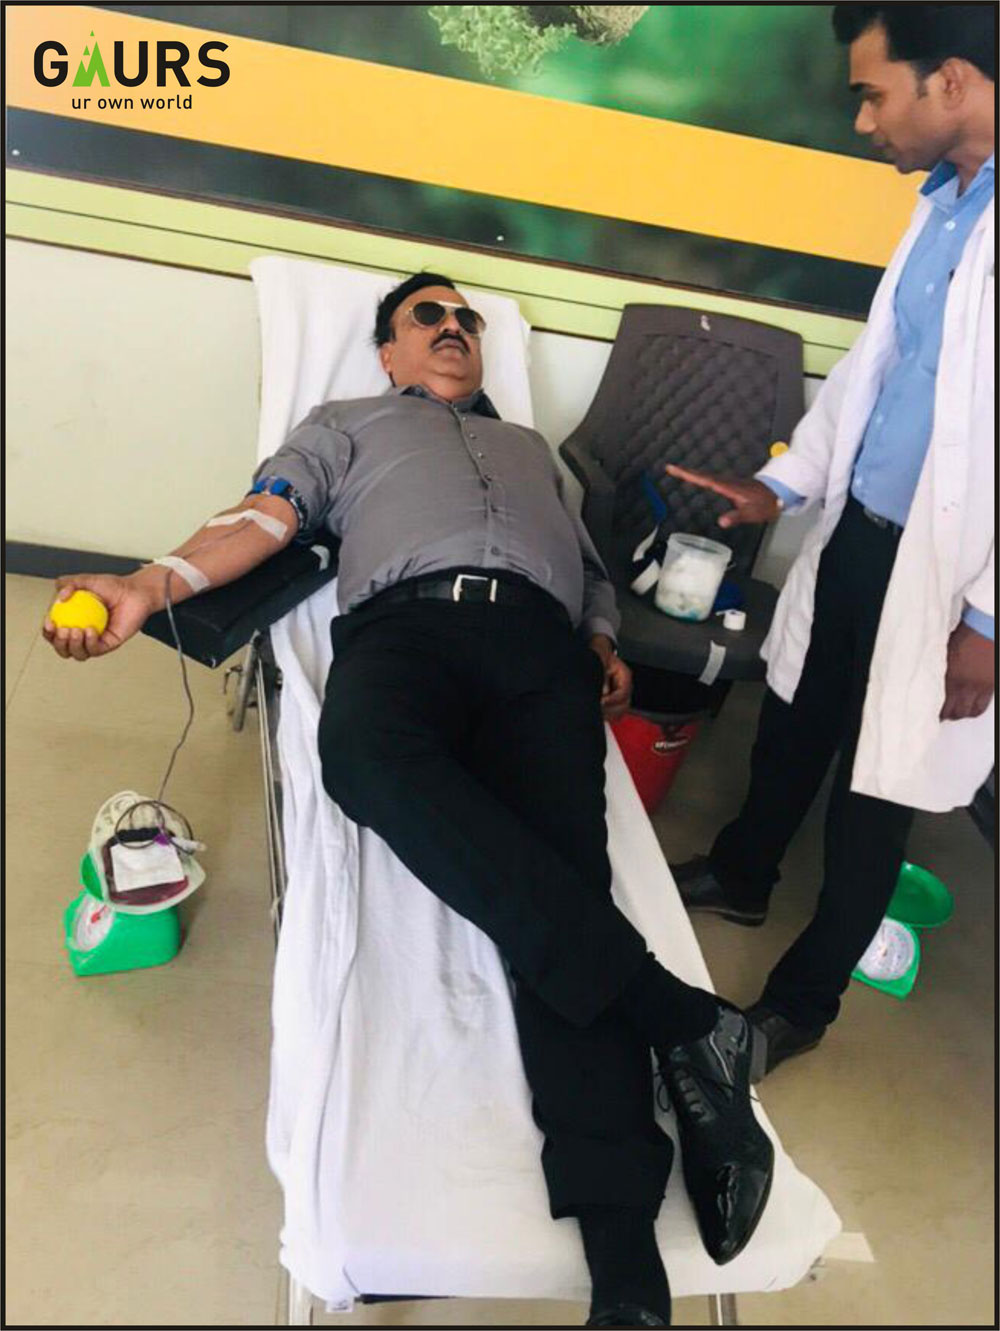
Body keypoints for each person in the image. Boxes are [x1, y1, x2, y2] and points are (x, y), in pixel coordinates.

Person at [43, 273, 776, 1328]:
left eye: (466, 319)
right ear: (387, 352)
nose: (453, 328)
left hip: (540, 654)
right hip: (406, 632)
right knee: (362, 755)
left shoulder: (530, 450)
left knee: (561, 898)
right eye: (427, 317)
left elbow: (586, 570)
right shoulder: (344, 424)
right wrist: (150, 583)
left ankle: (627, 1274)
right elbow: (262, 516)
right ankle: (688, 1019)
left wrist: (601, 638)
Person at [667, 4, 994, 1079]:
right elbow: (874, 370)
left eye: (872, 94)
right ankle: (743, 873)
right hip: (863, 531)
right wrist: (782, 482)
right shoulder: (943, 206)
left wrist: (990, 621)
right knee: (794, 720)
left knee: (875, 796)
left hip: (946, 578)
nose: (863, 120)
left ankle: (800, 1007)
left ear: (950, 81)